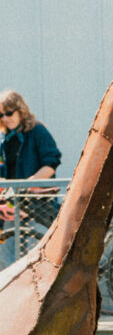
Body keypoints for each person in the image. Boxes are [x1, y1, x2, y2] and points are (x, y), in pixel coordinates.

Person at [0, 90, 62, 267]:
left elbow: (51, 161)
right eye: (1, 115)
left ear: (20, 110)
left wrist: (30, 183)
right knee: (8, 258)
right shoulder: (4, 138)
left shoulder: (37, 130)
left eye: (10, 113)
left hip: (37, 202)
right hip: (13, 204)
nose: (6, 118)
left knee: (44, 255)